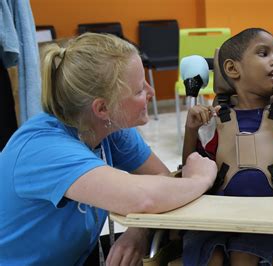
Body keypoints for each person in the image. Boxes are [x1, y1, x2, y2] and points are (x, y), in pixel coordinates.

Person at [0, 33, 217, 265]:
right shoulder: (44, 150)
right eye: (138, 90)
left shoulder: (107, 126)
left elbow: (159, 177)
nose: (151, 92)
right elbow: (143, 198)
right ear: (102, 108)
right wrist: (200, 179)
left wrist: (138, 231)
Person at [181, 28, 273, 265]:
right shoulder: (218, 118)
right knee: (209, 255)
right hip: (217, 217)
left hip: (266, 219)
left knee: (243, 256)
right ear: (233, 69)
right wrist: (191, 130)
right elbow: (190, 169)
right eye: (263, 53)